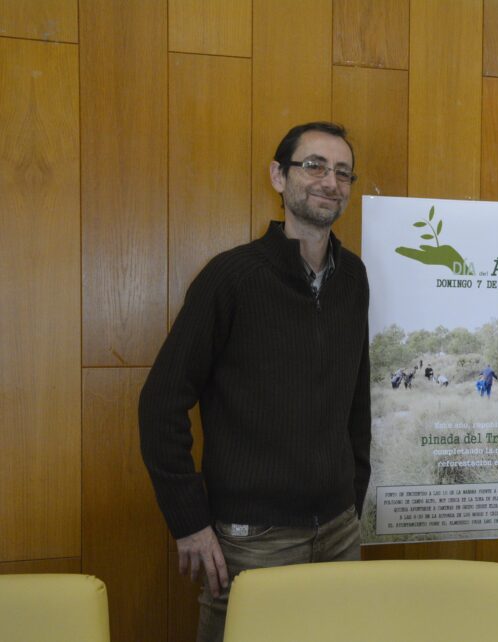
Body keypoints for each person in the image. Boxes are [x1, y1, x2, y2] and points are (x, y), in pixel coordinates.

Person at [139, 121, 370, 641]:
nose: (329, 181)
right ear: (278, 176)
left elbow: (358, 398)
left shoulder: (353, 278)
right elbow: (160, 404)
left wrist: (352, 497)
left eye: (342, 172)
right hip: (252, 540)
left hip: (339, 530)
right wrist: (189, 522)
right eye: (313, 165)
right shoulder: (231, 278)